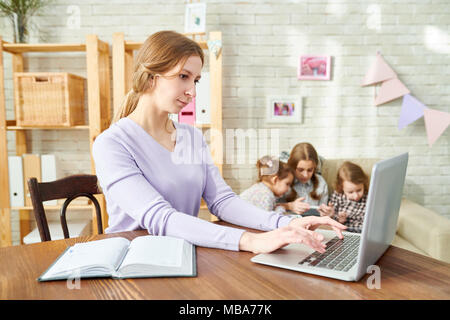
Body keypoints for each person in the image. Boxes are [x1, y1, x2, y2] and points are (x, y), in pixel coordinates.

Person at [92, 30, 346, 255]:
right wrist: (251, 241)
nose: (192, 91)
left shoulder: (190, 137)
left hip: (181, 252)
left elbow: (222, 201)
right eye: (183, 76)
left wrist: (285, 223)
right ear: (151, 77)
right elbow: (161, 218)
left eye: (196, 80)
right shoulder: (111, 144)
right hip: (134, 260)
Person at [277, 142, 329, 215]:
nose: (305, 175)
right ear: (292, 166)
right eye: (300, 170)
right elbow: (268, 206)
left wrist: (328, 213)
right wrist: (289, 206)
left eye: (310, 170)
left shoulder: (321, 183)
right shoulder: (283, 181)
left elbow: (324, 213)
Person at [319, 161, 369, 233]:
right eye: (350, 192)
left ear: (364, 184)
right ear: (341, 187)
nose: (356, 196)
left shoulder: (368, 198)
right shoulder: (337, 196)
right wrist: (337, 218)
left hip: (361, 232)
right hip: (342, 232)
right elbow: (331, 222)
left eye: (359, 190)